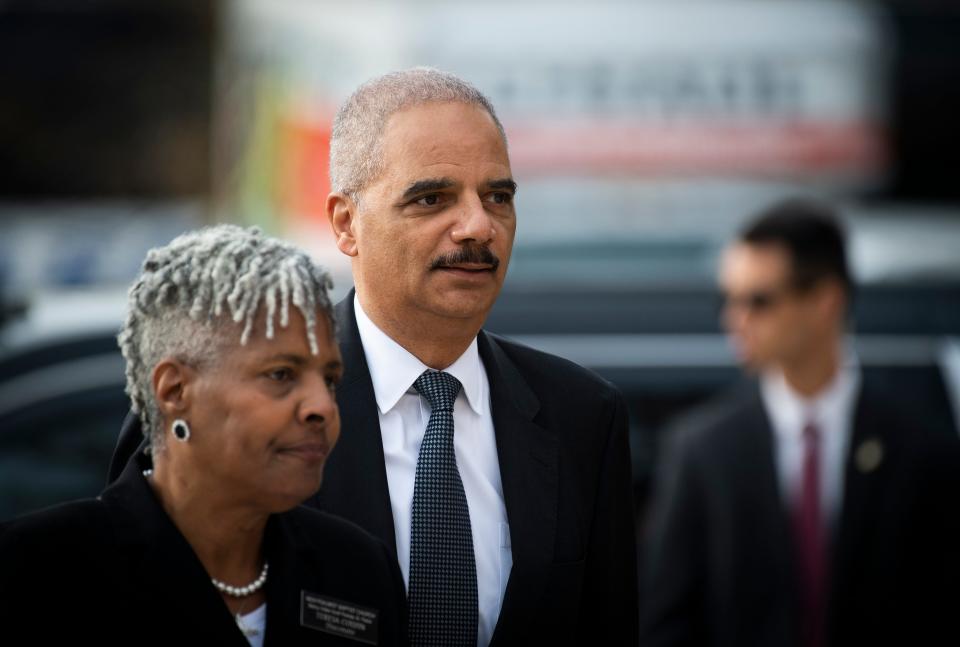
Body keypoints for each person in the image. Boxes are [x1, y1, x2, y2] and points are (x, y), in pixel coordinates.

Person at [109, 68, 638, 646]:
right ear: (345, 223)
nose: (479, 226)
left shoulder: (582, 415)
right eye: (432, 198)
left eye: (498, 196)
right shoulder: (223, 400)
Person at [1, 225, 406, 645]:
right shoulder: (33, 571)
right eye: (281, 375)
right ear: (175, 390)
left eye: (330, 379)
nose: (321, 406)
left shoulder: (358, 571)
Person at [638, 198, 960, 647]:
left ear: (826, 300)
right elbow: (665, 626)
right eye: (728, 299)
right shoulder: (701, 451)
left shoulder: (923, 454)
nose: (736, 319)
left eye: (759, 300)